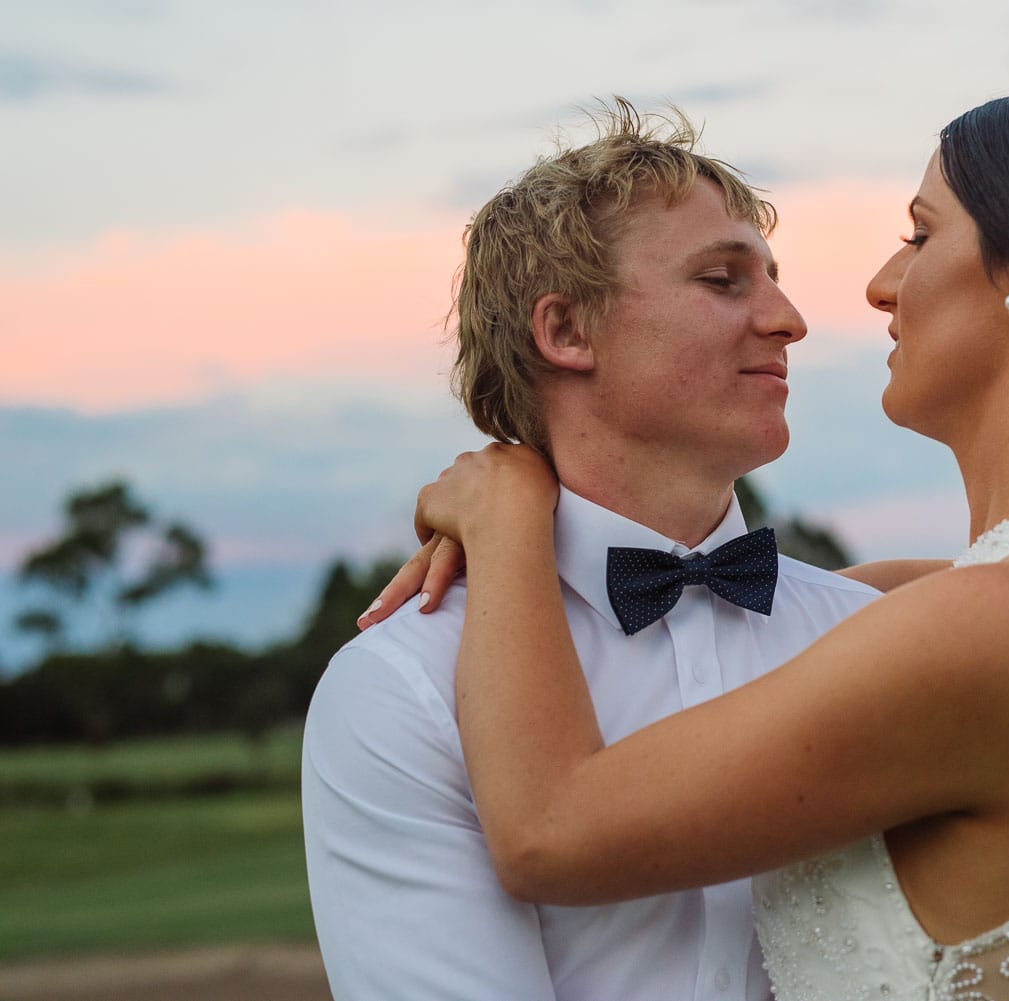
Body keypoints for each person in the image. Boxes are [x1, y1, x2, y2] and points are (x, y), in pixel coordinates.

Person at [376, 79, 1009, 1001]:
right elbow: (823, 612)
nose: (883, 283)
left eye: (921, 235)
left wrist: (509, 518)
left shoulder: (999, 619)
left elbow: (548, 831)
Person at [301, 101, 901, 1000]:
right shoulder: (401, 689)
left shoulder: (877, 642)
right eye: (724, 280)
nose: (789, 319)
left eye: (771, 278)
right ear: (567, 331)